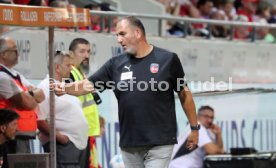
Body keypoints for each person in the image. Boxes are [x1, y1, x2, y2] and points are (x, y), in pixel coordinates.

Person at [54, 16, 199, 168]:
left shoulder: (168, 59)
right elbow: (87, 85)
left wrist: (194, 129)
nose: (118, 39)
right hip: (130, 143)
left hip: (160, 142)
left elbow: (185, 94)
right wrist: (64, 89)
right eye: (117, 35)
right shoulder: (115, 64)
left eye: (122, 34)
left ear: (137, 33)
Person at [36, 51, 88, 168]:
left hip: (75, 146)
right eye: (68, 65)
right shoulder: (45, 87)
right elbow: (39, 120)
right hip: (63, 147)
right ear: (57, 67)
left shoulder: (65, 87)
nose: (71, 68)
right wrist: (61, 138)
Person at [0, 37, 45, 154]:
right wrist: (30, 95)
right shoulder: (2, 77)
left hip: (20, 133)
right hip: (9, 136)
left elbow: (41, 95)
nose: (18, 54)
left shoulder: (15, 74)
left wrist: (28, 95)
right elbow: (28, 104)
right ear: (4, 54)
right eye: (15, 50)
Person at [68, 38, 101, 168]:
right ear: (71, 54)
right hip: (76, 134)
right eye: (82, 51)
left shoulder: (80, 73)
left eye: (88, 52)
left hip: (85, 133)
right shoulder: (69, 73)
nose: (86, 56)